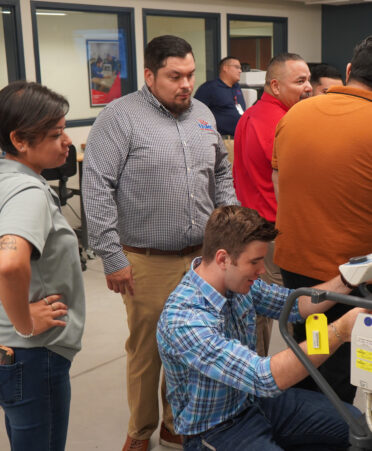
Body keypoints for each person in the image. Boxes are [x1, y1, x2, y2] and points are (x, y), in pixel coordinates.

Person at [82, 35, 237, 451]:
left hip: (202, 259)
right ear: (150, 75)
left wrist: (231, 220)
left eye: (190, 75)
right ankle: (140, 430)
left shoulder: (203, 114)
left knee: (191, 346)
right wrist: (113, 257)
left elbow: (221, 171)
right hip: (147, 259)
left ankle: (175, 421)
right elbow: (96, 188)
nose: (185, 84)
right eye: (174, 76)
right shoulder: (119, 118)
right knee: (147, 350)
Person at [157, 205, 364, 451]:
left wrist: (348, 280)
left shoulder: (239, 284)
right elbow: (263, 377)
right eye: (255, 262)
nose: (262, 270)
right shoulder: (185, 320)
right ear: (223, 258)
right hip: (216, 429)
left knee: (359, 426)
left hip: (254, 402)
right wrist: (340, 331)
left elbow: (295, 305)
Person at [272, 36, 372, 403]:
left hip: (299, 274)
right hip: (351, 280)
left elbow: (279, 185)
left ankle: (304, 419)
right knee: (340, 370)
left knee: (308, 353)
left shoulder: (295, 113)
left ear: (348, 72)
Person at [0, 81, 85, 451]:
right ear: (19, 139)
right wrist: (25, 322)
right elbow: (9, 264)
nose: (66, 141)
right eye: (56, 133)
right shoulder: (28, 192)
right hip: (34, 354)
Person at [232, 53, 312, 356]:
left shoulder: (250, 116)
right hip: (273, 231)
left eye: (308, 80)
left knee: (258, 312)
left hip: (254, 225)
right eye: (300, 81)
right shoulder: (280, 122)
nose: (308, 88)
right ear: (275, 86)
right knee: (290, 313)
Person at [194, 56, 246, 164]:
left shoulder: (237, 87)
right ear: (225, 68)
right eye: (237, 67)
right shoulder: (210, 88)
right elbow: (195, 113)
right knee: (227, 177)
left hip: (240, 140)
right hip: (223, 141)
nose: (240, 70)